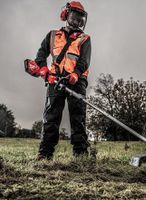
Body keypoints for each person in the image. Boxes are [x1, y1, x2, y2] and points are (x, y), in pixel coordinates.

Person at [26, 1, 91, 159]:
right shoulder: (53, 35)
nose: (76, 21)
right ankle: (45, 154)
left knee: (78, 117)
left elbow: (84, 61)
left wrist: (75, 74)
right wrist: (43, 70)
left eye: (80, 19)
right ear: (66, 15)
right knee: (51, 117)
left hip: (77, 81)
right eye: (74, 16)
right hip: (55, 80)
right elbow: (41, 55)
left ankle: (80, 154)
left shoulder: (84, 38)